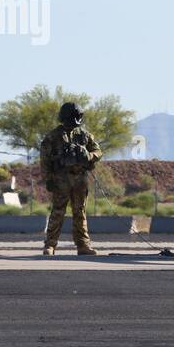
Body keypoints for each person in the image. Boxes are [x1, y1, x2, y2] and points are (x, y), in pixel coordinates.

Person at [39, 102, 102, 256]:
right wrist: (48, 179)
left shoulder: (84, 135)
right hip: (61, 180)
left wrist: (89, 156)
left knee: (80, 212)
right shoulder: (53, 136)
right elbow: (45, 160)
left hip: (80, 180)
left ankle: (83, 246)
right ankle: (50, 245)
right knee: (58, 212)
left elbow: (98, 151)